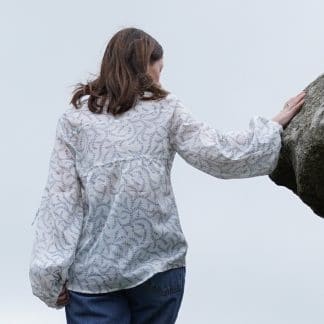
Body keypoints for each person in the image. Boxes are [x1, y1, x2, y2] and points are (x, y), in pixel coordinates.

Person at [28, 27, 306, 324]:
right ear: (144, 66)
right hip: (153, 265)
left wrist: (48, 273)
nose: (159, 79)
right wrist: (270, 129)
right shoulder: (163, 108)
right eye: (158, 70)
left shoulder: (76, 119)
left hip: (103, 274)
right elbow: (220, 154)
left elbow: (60, 200)